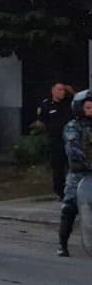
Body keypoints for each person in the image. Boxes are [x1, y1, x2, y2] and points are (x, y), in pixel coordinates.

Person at [58, 89, 92, 257]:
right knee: (69, 208)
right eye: (88, 107)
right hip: (78, 174)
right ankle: (62, 244)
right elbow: (74, 150)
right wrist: (88, 163)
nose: (91, 110)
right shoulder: (73, 127)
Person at [37, 83, 73, 200]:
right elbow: (41, 121)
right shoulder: (46, 104)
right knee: (57, 166)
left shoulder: (69, 102)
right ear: (53, 91)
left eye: (63, 90)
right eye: (59, 89)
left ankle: (72, 189)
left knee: (72, 165)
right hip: (55, 140)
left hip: (70, 139)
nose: (62, 92)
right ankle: (60, 191)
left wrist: (71, 91)